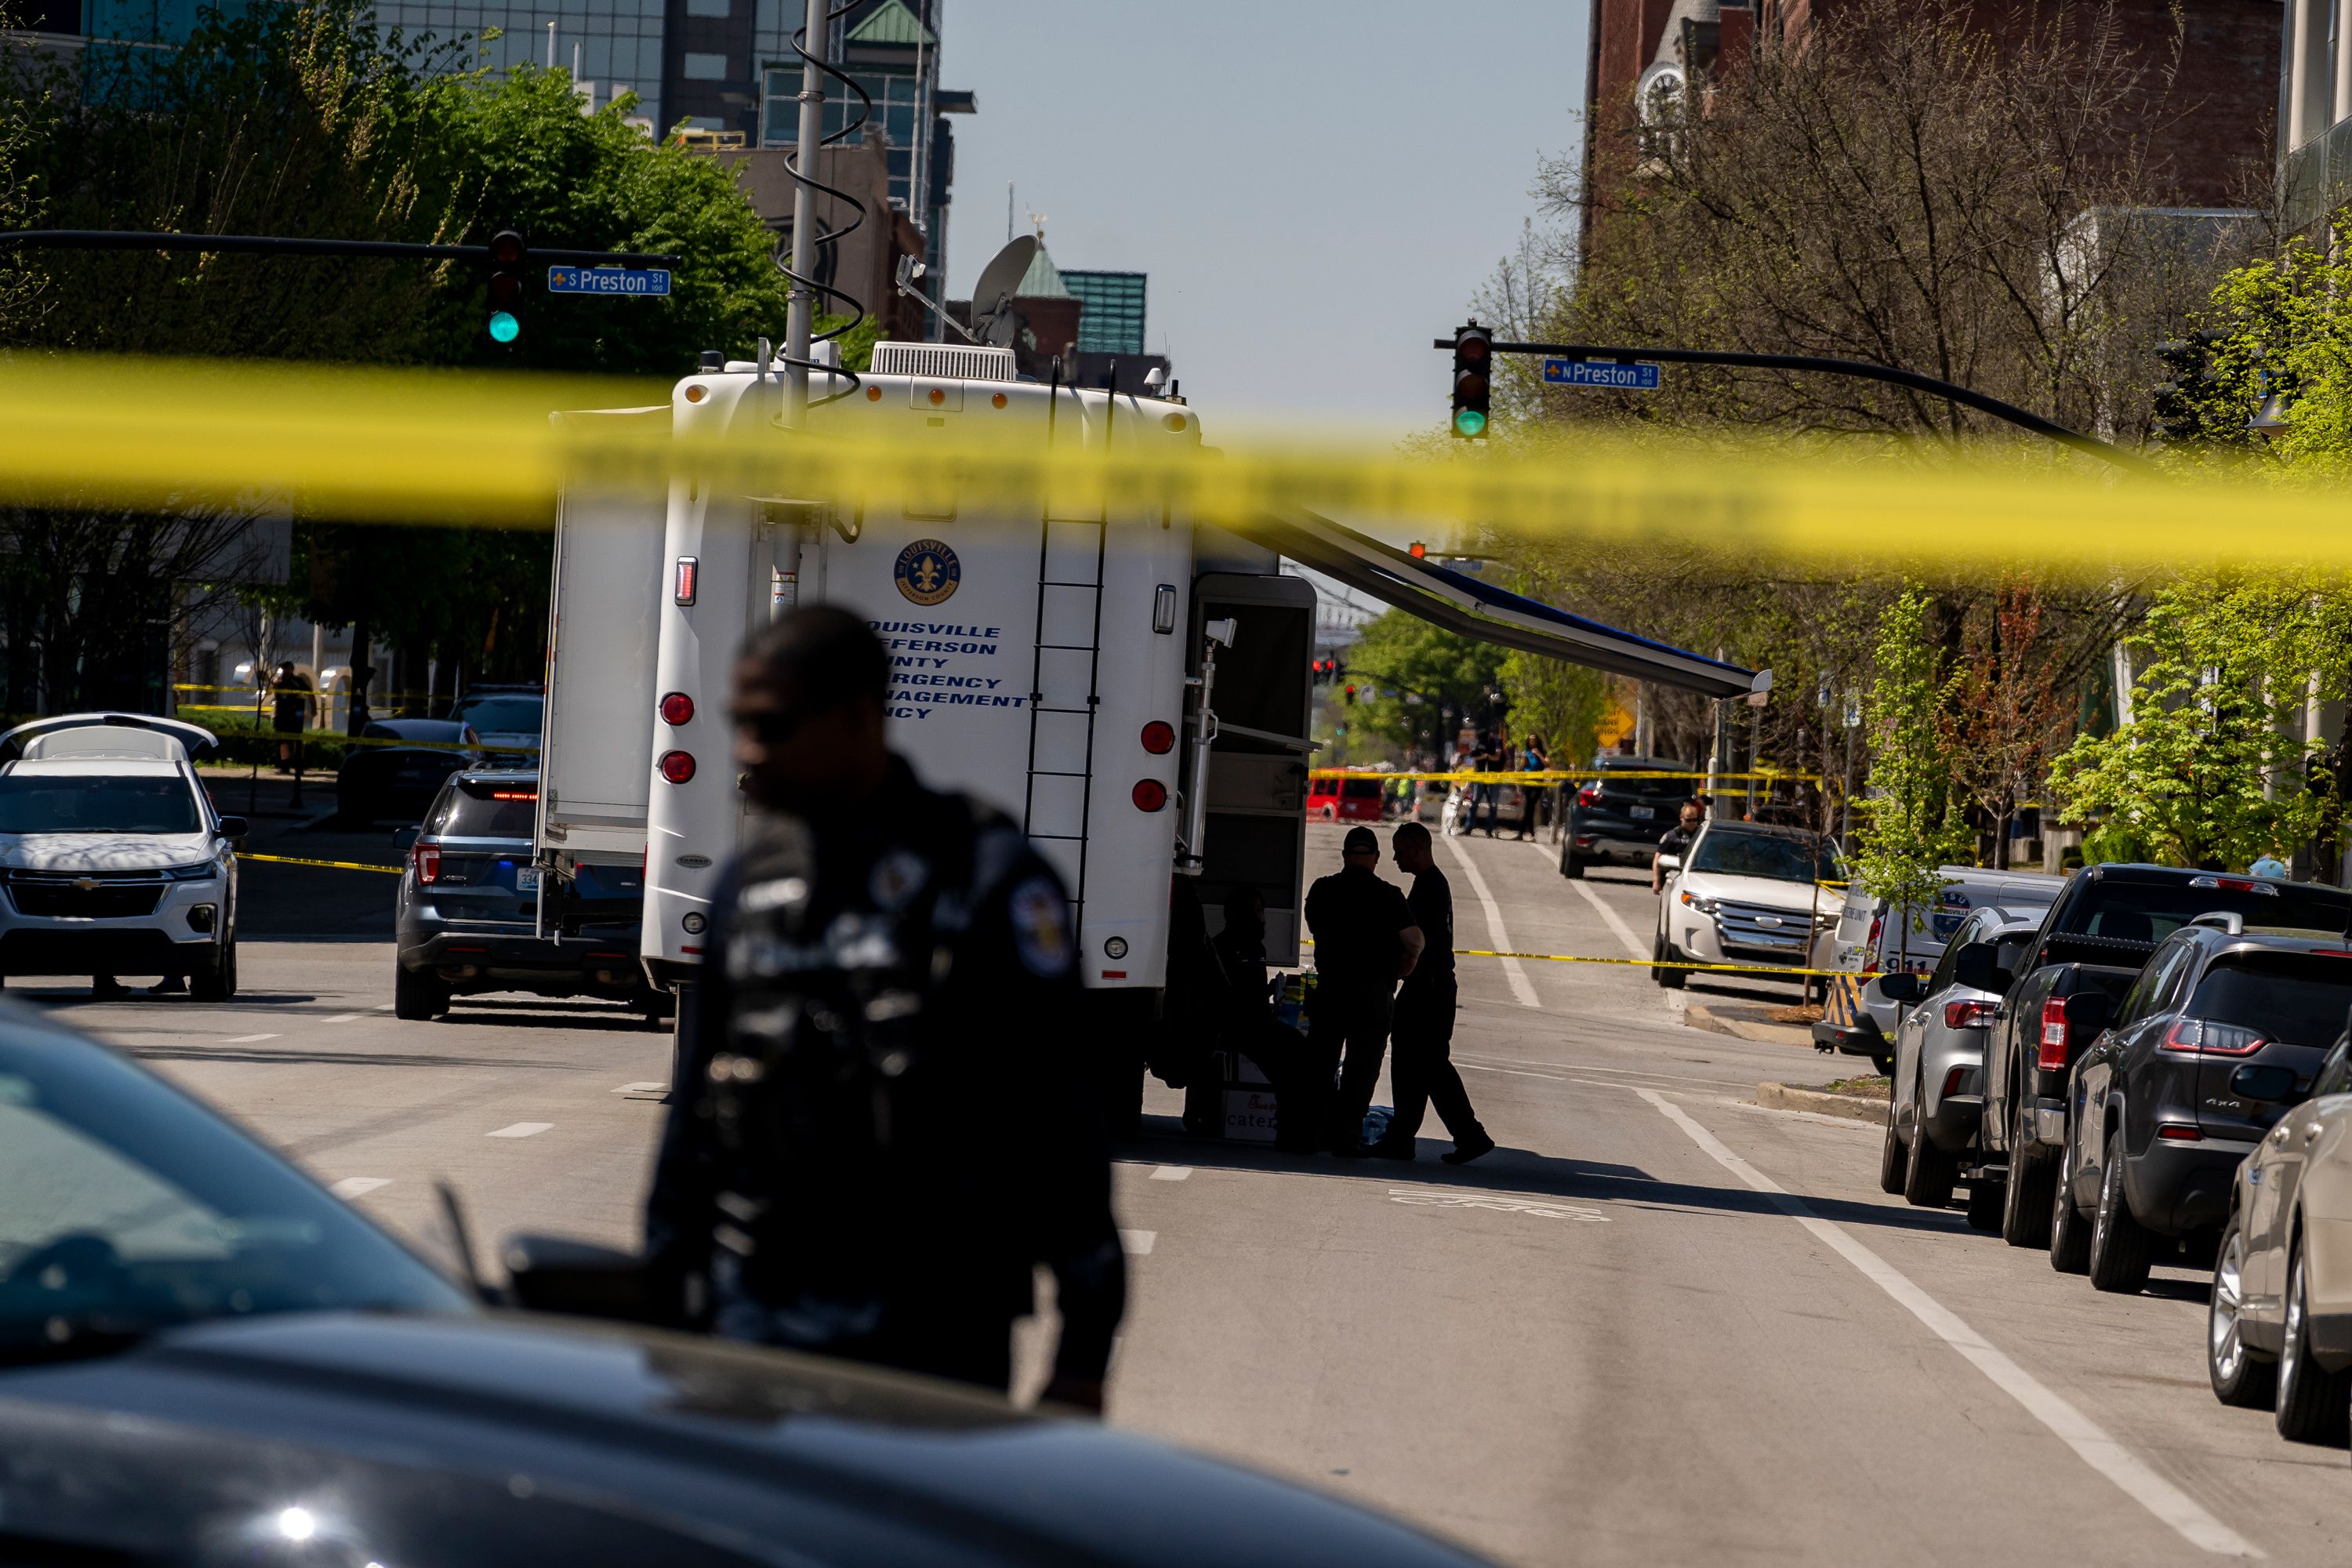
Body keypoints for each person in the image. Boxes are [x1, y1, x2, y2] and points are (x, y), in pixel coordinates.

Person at [644, 608, 1125, 1410]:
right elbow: (693, 1119)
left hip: (933, 1329)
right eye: (741, 724)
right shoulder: (748, 885)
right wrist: (665, 1307)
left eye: (773, 725)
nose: (747, 752)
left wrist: (1084, 1348)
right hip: (758, 1319)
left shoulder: (988, 876)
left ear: (859, 717)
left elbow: (1061, 1121)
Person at [1371, 822, 1494, 1164]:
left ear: (1416, 848)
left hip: (1429, 989)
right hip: (1429, 988)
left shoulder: (1429, 889)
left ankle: (1468, 1134)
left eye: (1399, 850)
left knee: (1428, 1065)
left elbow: (1416, 943)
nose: (1394, 858)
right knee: (1417, 1064)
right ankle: (1406, 1137)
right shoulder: (1430, 885)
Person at [1303, 824, 1424, 1155]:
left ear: (1344, 856)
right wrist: (1408, 962)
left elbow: (1313, 924)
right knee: (1362, 1069)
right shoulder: (1389, 895)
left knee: (1320, 1065)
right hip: (1373, 996)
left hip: (1330, 991)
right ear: (1376, 857)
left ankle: (1310, 1133)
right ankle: (1346, 1137)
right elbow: (1414, 939)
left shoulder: (1322, 890)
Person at [1209, 884, 1317, 1152]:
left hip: (1256, 1020)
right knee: (1287, 1062)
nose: (1261, 917)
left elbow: (1253, 993)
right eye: (1255, 911)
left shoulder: (1255, 947)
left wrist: (1274, 991)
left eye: (1261, 910)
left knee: (1300, 1047)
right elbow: (1223, 998)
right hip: (1236, 1025)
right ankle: (1291, 1133)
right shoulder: (1222, 948)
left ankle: (1300, 1129)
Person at [1653, 798, 1704, 895]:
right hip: (1675, 880)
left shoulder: (1702, 836)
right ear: (1681, 818)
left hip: (1698, 880)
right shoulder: (1672, 836)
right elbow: (1658, 857)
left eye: (1695, 820)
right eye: (1689, 820)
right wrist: (1656, 881)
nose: (1693, 823)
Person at [1468, 731, 1501, 837]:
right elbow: (1473, 757)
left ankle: (1490, 829)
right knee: (1474, 802)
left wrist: (1488, 756)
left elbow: (1497, 757)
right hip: (1480, 775)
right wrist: (1482, 757)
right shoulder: (1478, 744)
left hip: (1493, 776)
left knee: (1493, 804)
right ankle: (1469, 827)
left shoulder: (1496, 742)